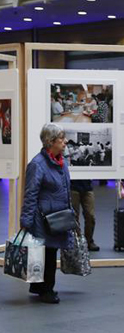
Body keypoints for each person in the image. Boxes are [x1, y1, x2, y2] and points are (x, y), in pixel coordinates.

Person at [20, 123, 74, 304]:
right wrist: (26, 220)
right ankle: (47, 291)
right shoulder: (37, 164)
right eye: (61, 139)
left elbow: (65, 189)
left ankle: (38, 286)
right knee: (48, 254)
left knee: (47, 252)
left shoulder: (61, 161)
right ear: (50, 142)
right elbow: (31, 194)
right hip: (43, 219)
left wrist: (70, 211)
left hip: (57, 217)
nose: (65, 142)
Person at [70, 180, 100, 251]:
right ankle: (78, 241)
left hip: (87, 187)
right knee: (74, 217)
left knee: (90, 216)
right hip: (73, 187)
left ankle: (88, 241)